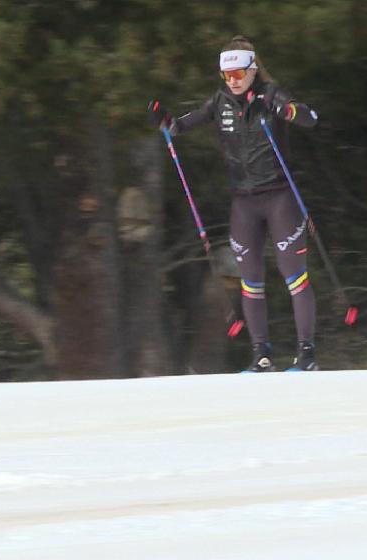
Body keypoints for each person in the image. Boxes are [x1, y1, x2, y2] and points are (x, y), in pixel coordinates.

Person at [149, 35, 320, 372]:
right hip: (244, 203)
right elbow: (182, 125)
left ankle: (307, 354)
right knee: (250, 279)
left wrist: (284, 110)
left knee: (293, 274)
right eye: (228, 76)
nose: (234, 81)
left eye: (239, 74)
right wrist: (166, 122)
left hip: (279, 197)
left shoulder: (271, 94)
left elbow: (310, 117)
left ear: (252, 69)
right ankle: (261, 355)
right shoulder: (219, 102)